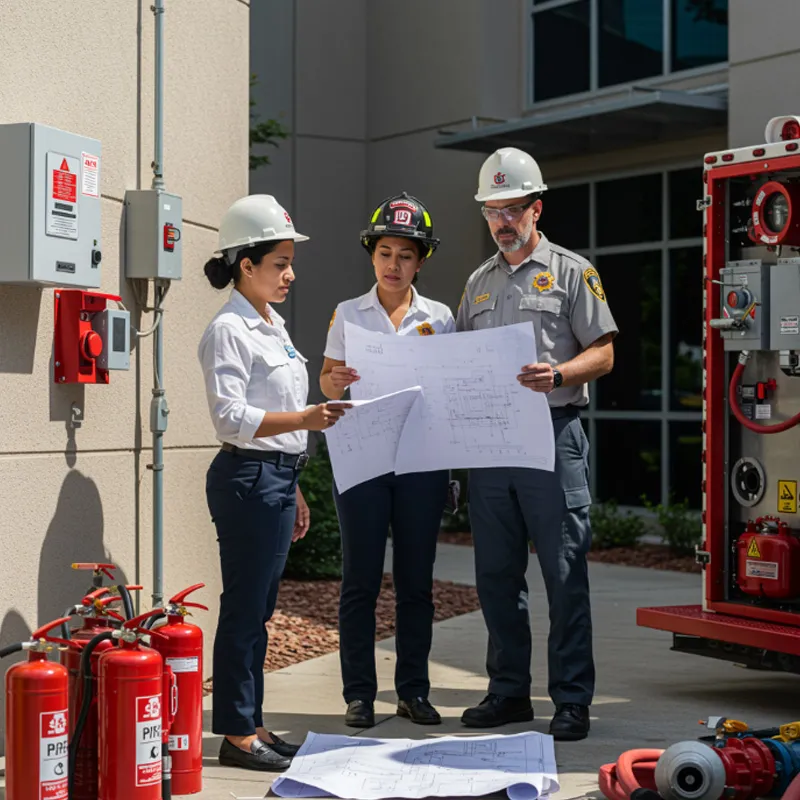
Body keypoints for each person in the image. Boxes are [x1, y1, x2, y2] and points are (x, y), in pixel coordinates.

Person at [455, 148, 618, 741]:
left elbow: (604, 351)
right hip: (492, 448)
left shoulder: (573, 271)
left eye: (512, 208)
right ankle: (508, 694)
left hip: (553, 437)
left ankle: (572, 700)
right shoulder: (476, 283)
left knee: (564, 572)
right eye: (492, 210)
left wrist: (559, 374)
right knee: (497, 577)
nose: (502, 220)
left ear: (535, 208)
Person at [198, 194, 349, 771]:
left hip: (275, 477)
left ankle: (253, 723)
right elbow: (231, 419)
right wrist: (309, 420)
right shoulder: (228, 330)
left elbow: (272, 417)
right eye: (280, 262)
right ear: (246, 265)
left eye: (290, 262)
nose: (291, 273)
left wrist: (297, 482)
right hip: (247, 480)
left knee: (260, 613)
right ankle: (236, 735)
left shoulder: (270, 324)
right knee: (243, 611)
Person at [320, 192, 454, 729]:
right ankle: (358, 695)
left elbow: (451, 385)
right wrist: (335, 381)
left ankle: (413, 692)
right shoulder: (348, 314)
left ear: (421, 261)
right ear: (372, 256)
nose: (393, 264)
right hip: (364, 460)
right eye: (384, 253)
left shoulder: (439, 317)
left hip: (421, 460)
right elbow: (327, 377)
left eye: (405, 255)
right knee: (360, 581)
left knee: (417, 583)